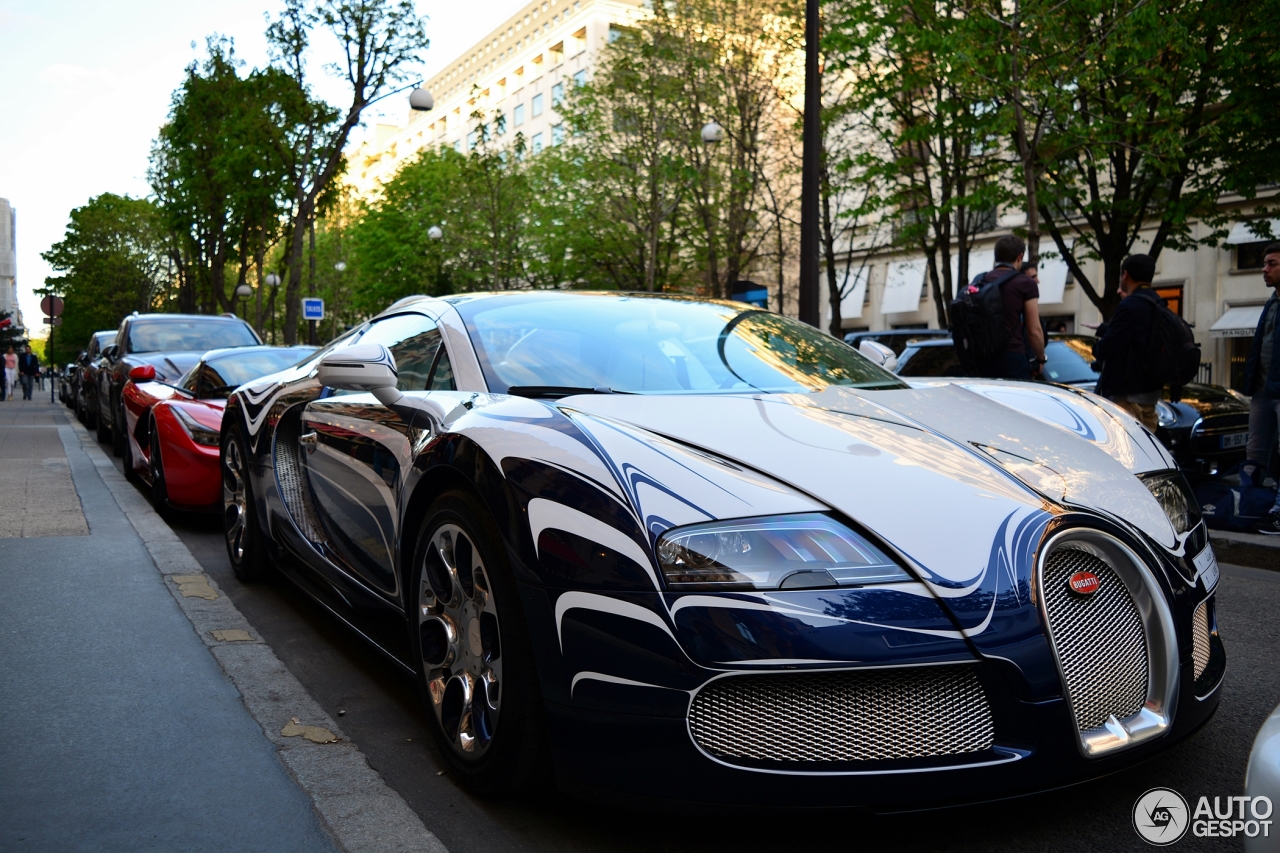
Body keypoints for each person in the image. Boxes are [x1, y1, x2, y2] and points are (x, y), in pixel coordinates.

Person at [1091, 254, 1164, 432]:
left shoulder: (1130, 305)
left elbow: (1109, 346)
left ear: (1125, 275)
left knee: (1124, 451)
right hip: (1150, 394)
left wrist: (1096, 348)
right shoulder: (1159, 303)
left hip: (1126, 395)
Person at [1241, 242, 1280, 534]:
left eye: (1272, 263)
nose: (1264, 269)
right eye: (1265, 263)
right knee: (1255, 453)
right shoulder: (1272, 302)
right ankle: (1253, 506)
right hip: (1263, 390)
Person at [974, 234, 1046, 379]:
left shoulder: (979, 280)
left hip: (981, 357)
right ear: (1020, 257)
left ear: (996, 256)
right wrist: (1040, 358)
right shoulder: (1025, 283)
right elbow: (1034, 331)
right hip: (1012, 357)